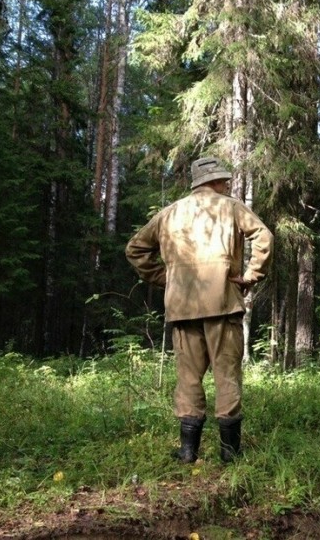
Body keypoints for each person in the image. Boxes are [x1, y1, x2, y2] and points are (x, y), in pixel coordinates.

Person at [125, 156, 273, 463]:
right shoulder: (230, 207)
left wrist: (169, 278)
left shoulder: (169, 213)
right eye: (224, 181)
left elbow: (135, 249)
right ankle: (230, 455)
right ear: (216, 181)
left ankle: (187, 453)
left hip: (182, 308)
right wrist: (250, 275)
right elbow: (264, 236)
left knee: (188, 379)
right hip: (222, 303)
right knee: (227, 377)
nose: (226, 185)